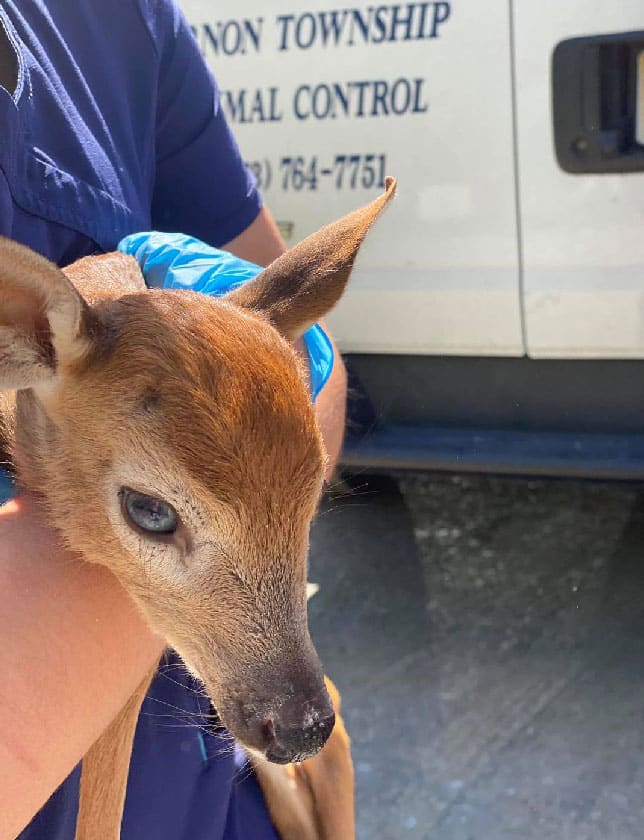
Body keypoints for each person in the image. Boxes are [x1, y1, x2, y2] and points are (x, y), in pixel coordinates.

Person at [0, 1, 347, 837]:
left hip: (210, 799)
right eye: (153, 513)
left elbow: (295, 357)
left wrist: (290, 362)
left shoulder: (111, 16)